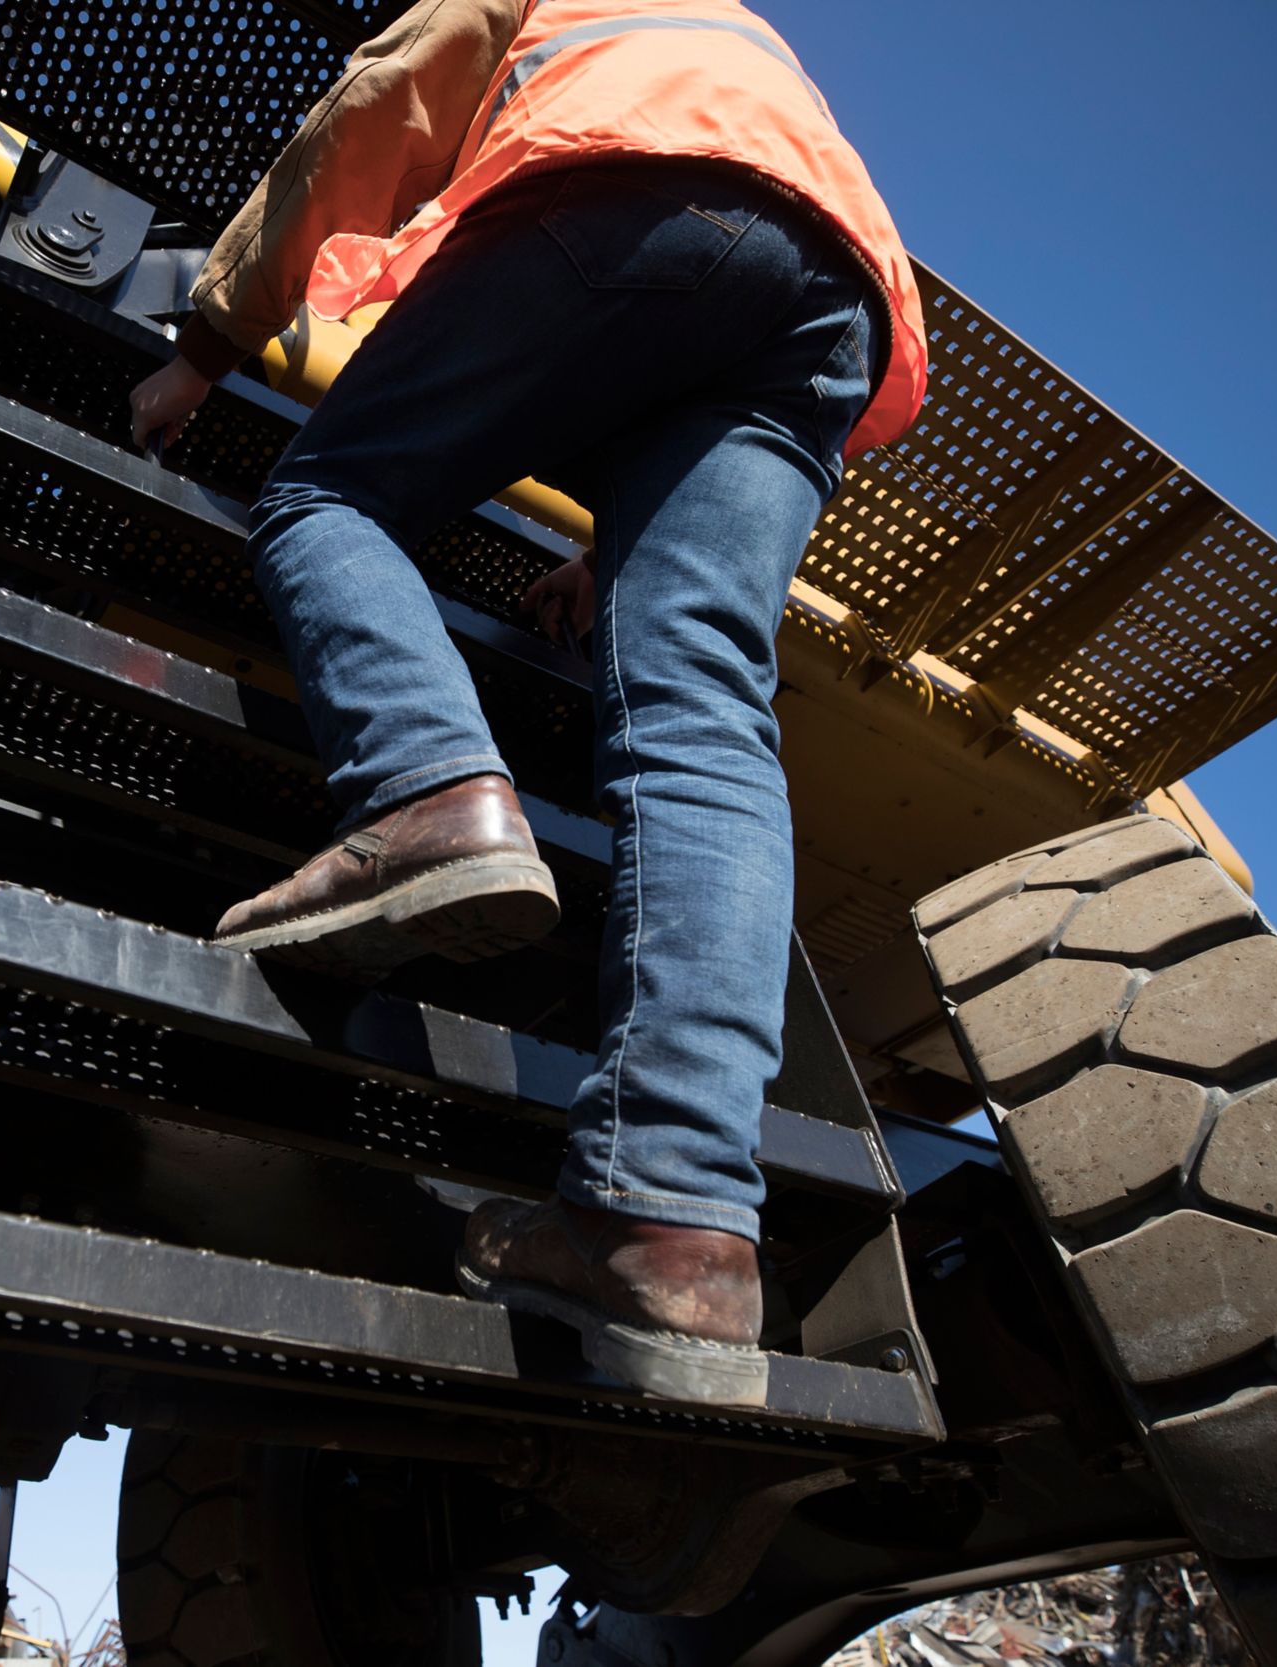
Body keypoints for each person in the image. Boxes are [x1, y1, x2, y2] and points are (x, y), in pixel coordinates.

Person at [128, 0, 926, 1405]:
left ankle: (430, 795)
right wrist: (615, 552)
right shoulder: (743, 37)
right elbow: (715, 299)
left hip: (628, 177)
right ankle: (678, 1230)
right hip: (835, 290)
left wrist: (208, 341)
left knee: (328, 497)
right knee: (702, 715)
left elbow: (380, 102)